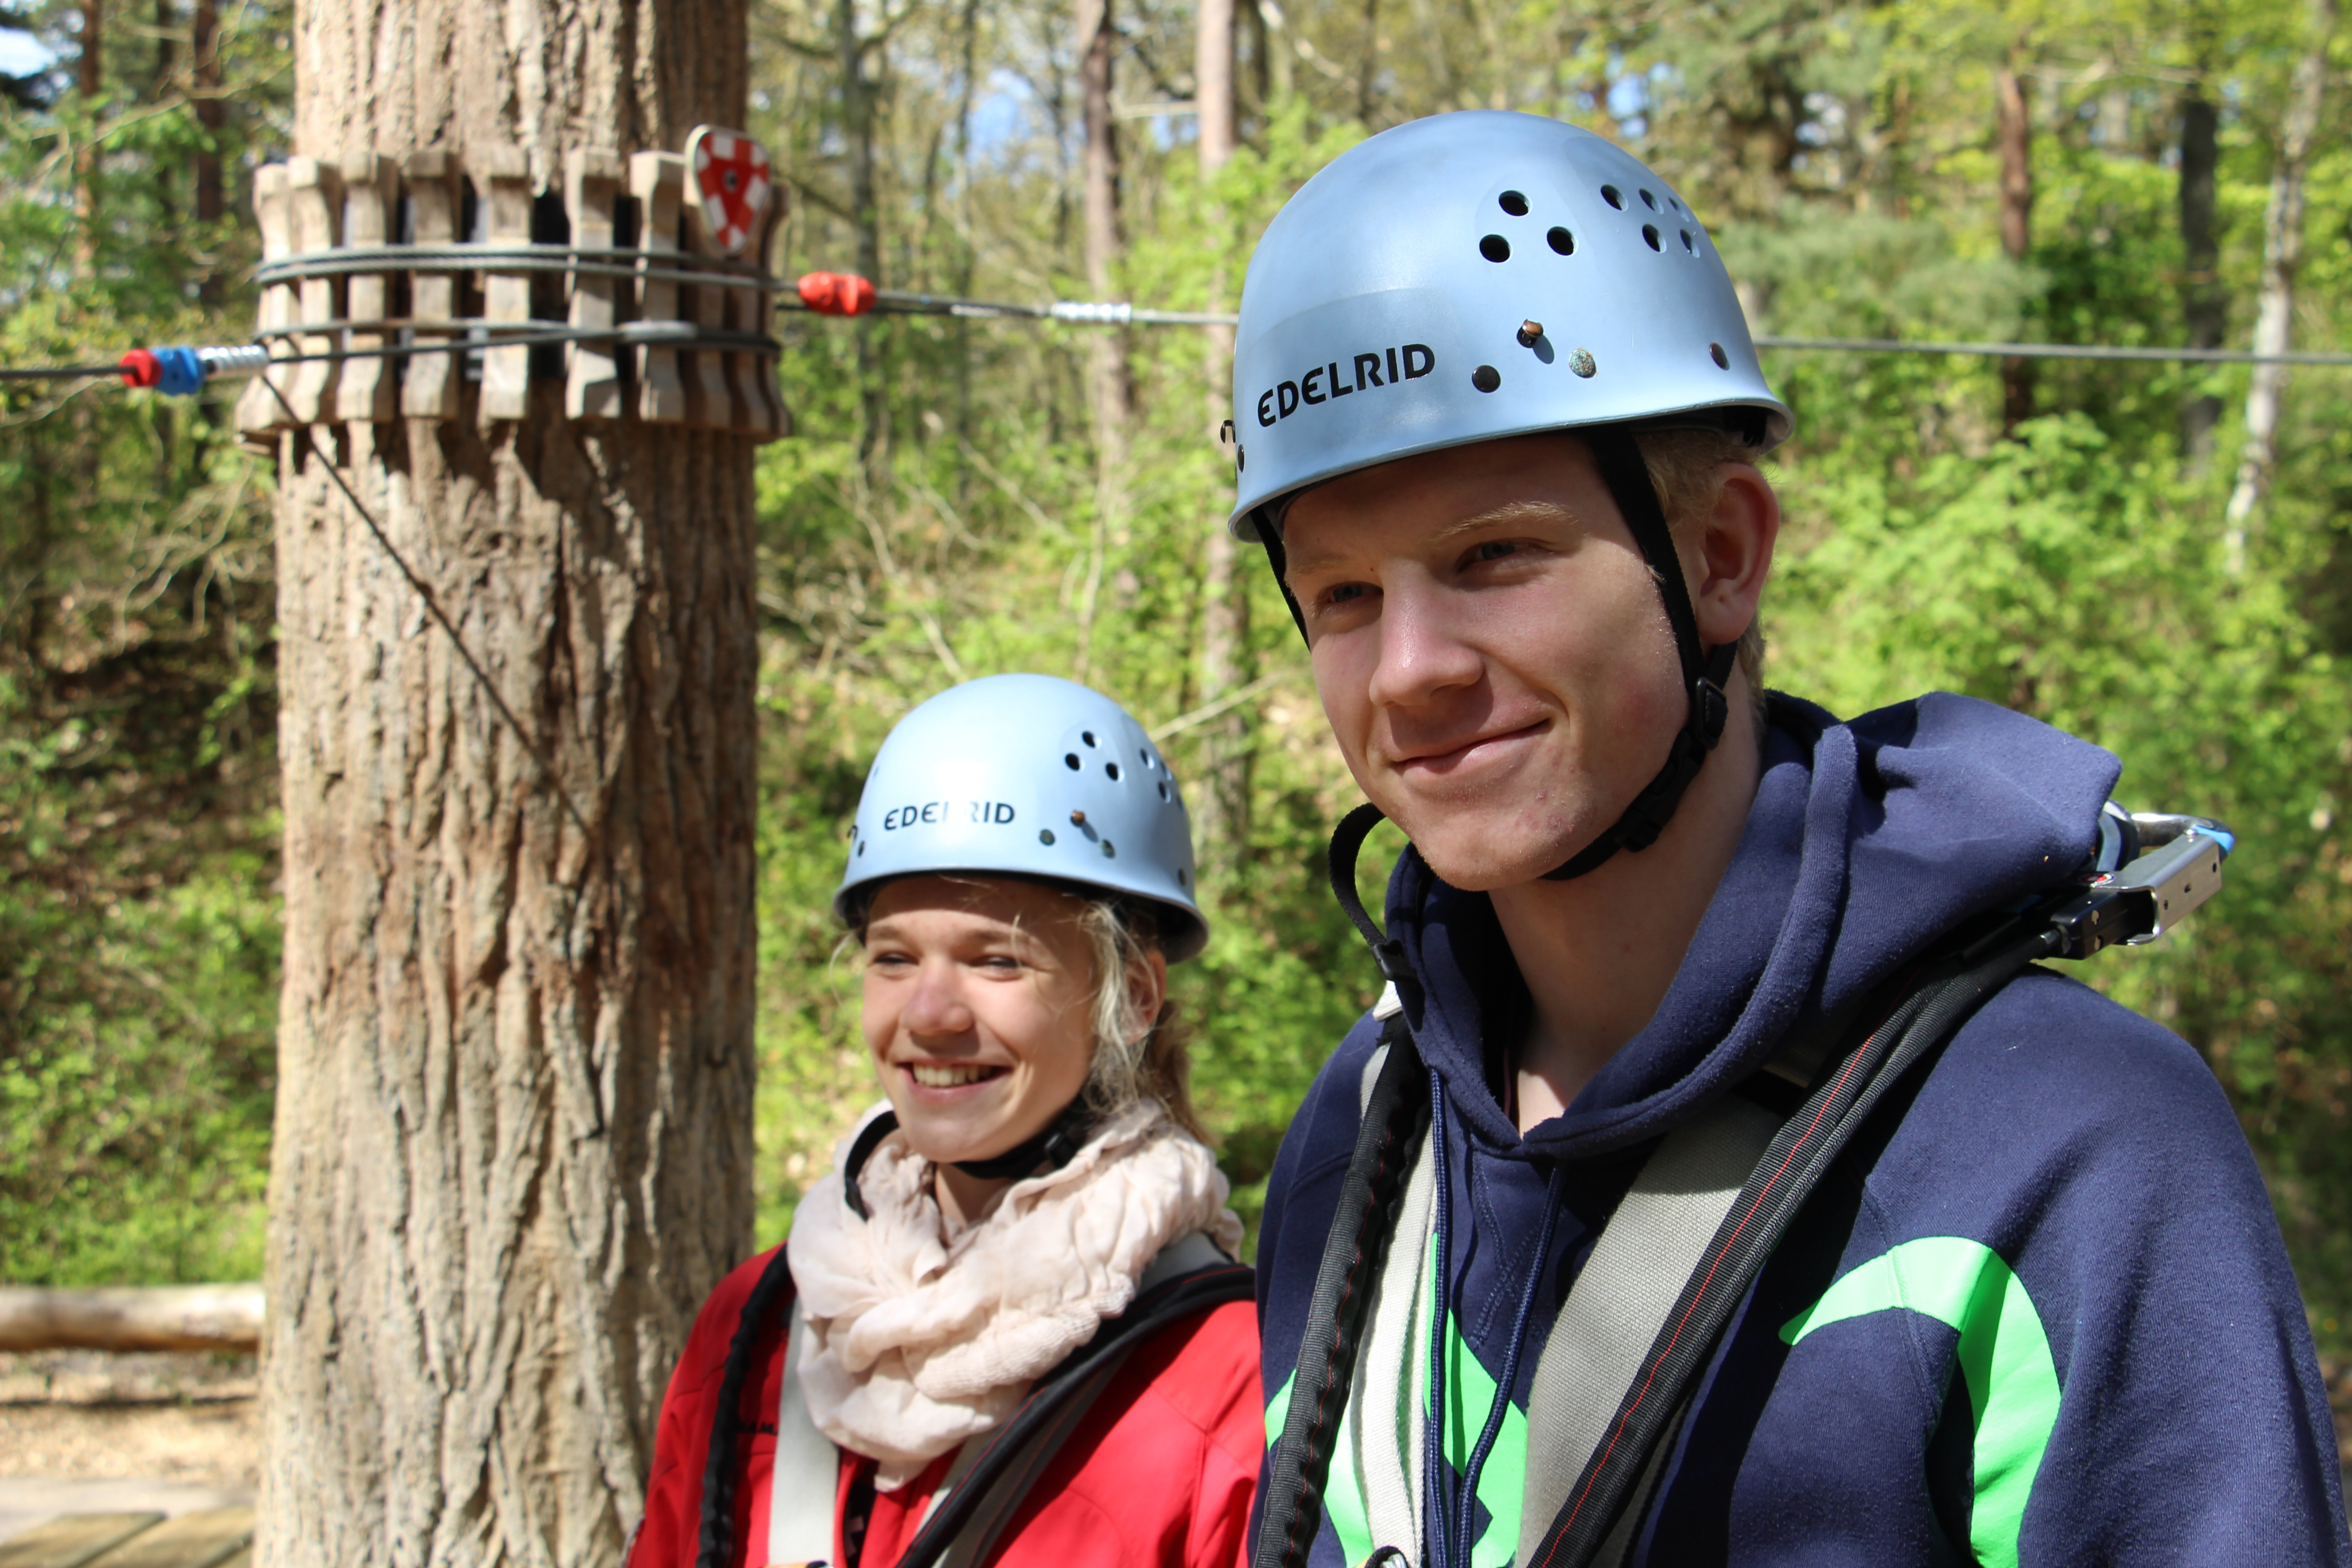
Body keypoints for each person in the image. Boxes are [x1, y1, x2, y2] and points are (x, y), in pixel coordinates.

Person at [1229, 111, 2350, 1567]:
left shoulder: (2072, 1148)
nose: (1408, 671)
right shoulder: (1367, 1132)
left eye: (1493, 555)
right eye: (1342, 597)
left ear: (1718, 558)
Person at [629, 674, 1260, 1568]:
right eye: (893, 957)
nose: (929, 1013)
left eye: (996, 960)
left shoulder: (1230, 1382)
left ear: (1135, 997)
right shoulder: (755, 1328)